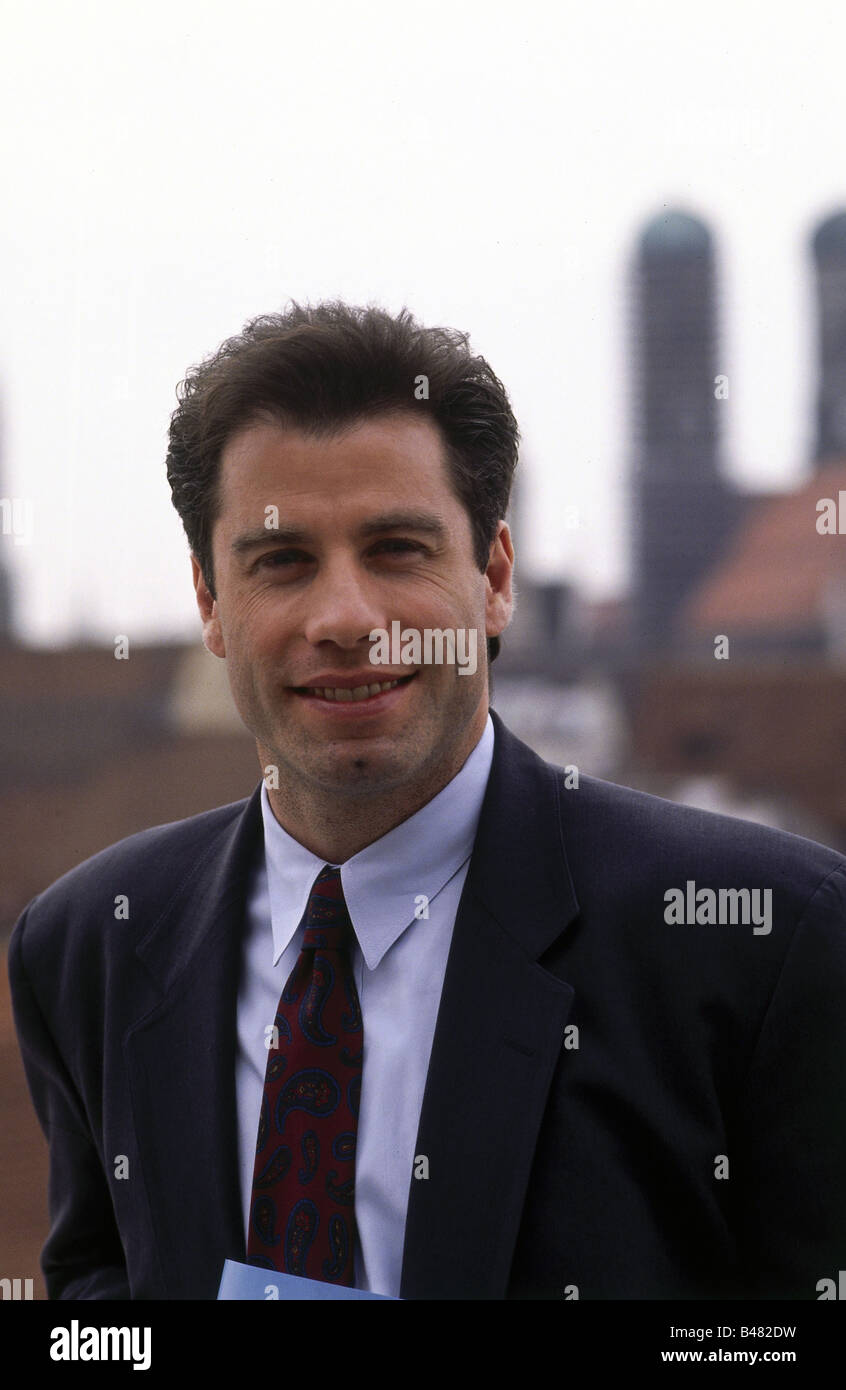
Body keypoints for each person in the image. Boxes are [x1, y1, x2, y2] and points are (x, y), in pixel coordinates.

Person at [8, 302, 846, 1301]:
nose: (346, 618)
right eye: (282, 561)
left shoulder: (766, 941)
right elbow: (98, 1298)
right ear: (208, 603)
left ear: (493, 579)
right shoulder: (91, 945)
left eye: (398, 548)